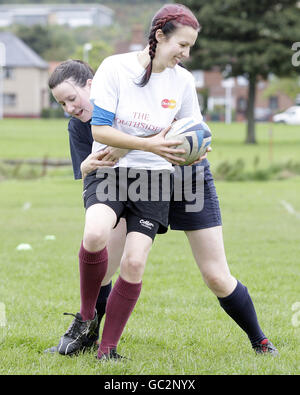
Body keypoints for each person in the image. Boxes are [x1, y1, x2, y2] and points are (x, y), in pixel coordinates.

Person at [48, 3, 278, 358]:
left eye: (190, 47)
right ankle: (89, 332)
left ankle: (260, 340)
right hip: (142, 173)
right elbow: (96, 158)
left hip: (184, 177)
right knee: (108, 261)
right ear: (159, 36)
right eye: (182, 45)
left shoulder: (181, 81)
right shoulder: (106, 88)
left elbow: (195, 130)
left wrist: (198, 148)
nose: (186, 55)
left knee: (216, 275)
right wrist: (126, 152)